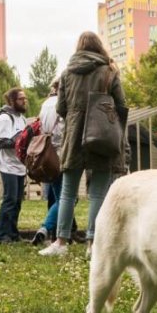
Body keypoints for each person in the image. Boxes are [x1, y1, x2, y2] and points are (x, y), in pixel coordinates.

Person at [39, 31, 127, 257]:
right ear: (99, 46)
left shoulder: (67, 73)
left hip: (75, 136)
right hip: (103, 136)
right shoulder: (109, 71)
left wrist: (77, 115)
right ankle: (93, 244)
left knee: (67, 192)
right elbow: (121, 105)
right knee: (98, 193)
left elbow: (60, 108)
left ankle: (60, 242)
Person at [31, 78, 68, 245]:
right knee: (66, 198)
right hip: (60, 154)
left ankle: (57, 232)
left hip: (46, 155)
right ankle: (45, 228)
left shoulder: (46, 103)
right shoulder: (63, 103)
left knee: (56, 195)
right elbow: (64, 130)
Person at [0, 88, 28, 244]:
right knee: (10, 200)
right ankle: (2, 236)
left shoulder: (21, 118)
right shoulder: (5, 119)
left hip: (20, 166)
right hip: (8, 166)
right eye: (21, 99)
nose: (24, 101)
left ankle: (13, 234)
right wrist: (20, 140)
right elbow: (2, 142)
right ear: (12, 101)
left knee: (18, 201)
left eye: (25, 98)